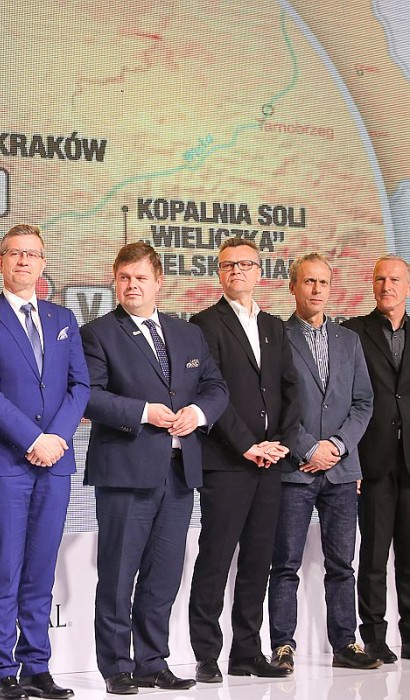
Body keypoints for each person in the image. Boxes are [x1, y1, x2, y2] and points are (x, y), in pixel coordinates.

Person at [81, 242, 228, 695]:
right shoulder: (97, 334)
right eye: (124, 278)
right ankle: (115, 666)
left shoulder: (187, 334)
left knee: (163, 576)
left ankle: (151, 661)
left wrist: (197, 414)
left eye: (141, 278)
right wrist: (144, 412)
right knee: (118, 575)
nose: (132, 286)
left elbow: (215, 387)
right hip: (125, 471)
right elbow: (89, 396)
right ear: (115, 281)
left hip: (179, 472)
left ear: (159, 282)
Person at [0, 224, 90, 700]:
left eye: (32, 254)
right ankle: (4, 671)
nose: (23, 261)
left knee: (41, 568)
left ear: (43, 263)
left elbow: (80, 385)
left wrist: (56, 438)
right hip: (5, 463)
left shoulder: (63, 317)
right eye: (14, 253)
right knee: (5, 568)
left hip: (55, 462)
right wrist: (34, 438)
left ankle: (37, 666)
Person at [187, 237, 299, 682]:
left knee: (258, 560)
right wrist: (247, 445)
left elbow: (291, 389)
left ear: (259, 272)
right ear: (219, 273)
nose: (237, 270)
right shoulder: (204, 324)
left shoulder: (274, 326)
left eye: (245, 264)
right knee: (215, 559)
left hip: (270, 463)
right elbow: (210, 393)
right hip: (227, 462)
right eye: (228, 265)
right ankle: (207, 654)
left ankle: (247, 652)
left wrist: (281, 443)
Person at [266, 252, 378, 672]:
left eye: (323, 282)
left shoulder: (349, 340)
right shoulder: (277, 337)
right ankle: (282, 646)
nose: (316, 289)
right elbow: (275, 406)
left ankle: (346, 644)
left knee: (342, 565)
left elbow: (363, 403)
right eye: (308, 281)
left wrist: (337, 445)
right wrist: (309, 449)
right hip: (295, 471)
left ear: (331, 288)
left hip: (342, 472)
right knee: (285, 565)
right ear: (292, 287)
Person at [343, 255, 410, 663]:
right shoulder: (353, 332)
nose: (387, 286)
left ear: (407, 286)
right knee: (373, 556)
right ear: (372, 285)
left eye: (395, 279)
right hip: (372, 460)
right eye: (380, 279)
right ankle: (374, 637)